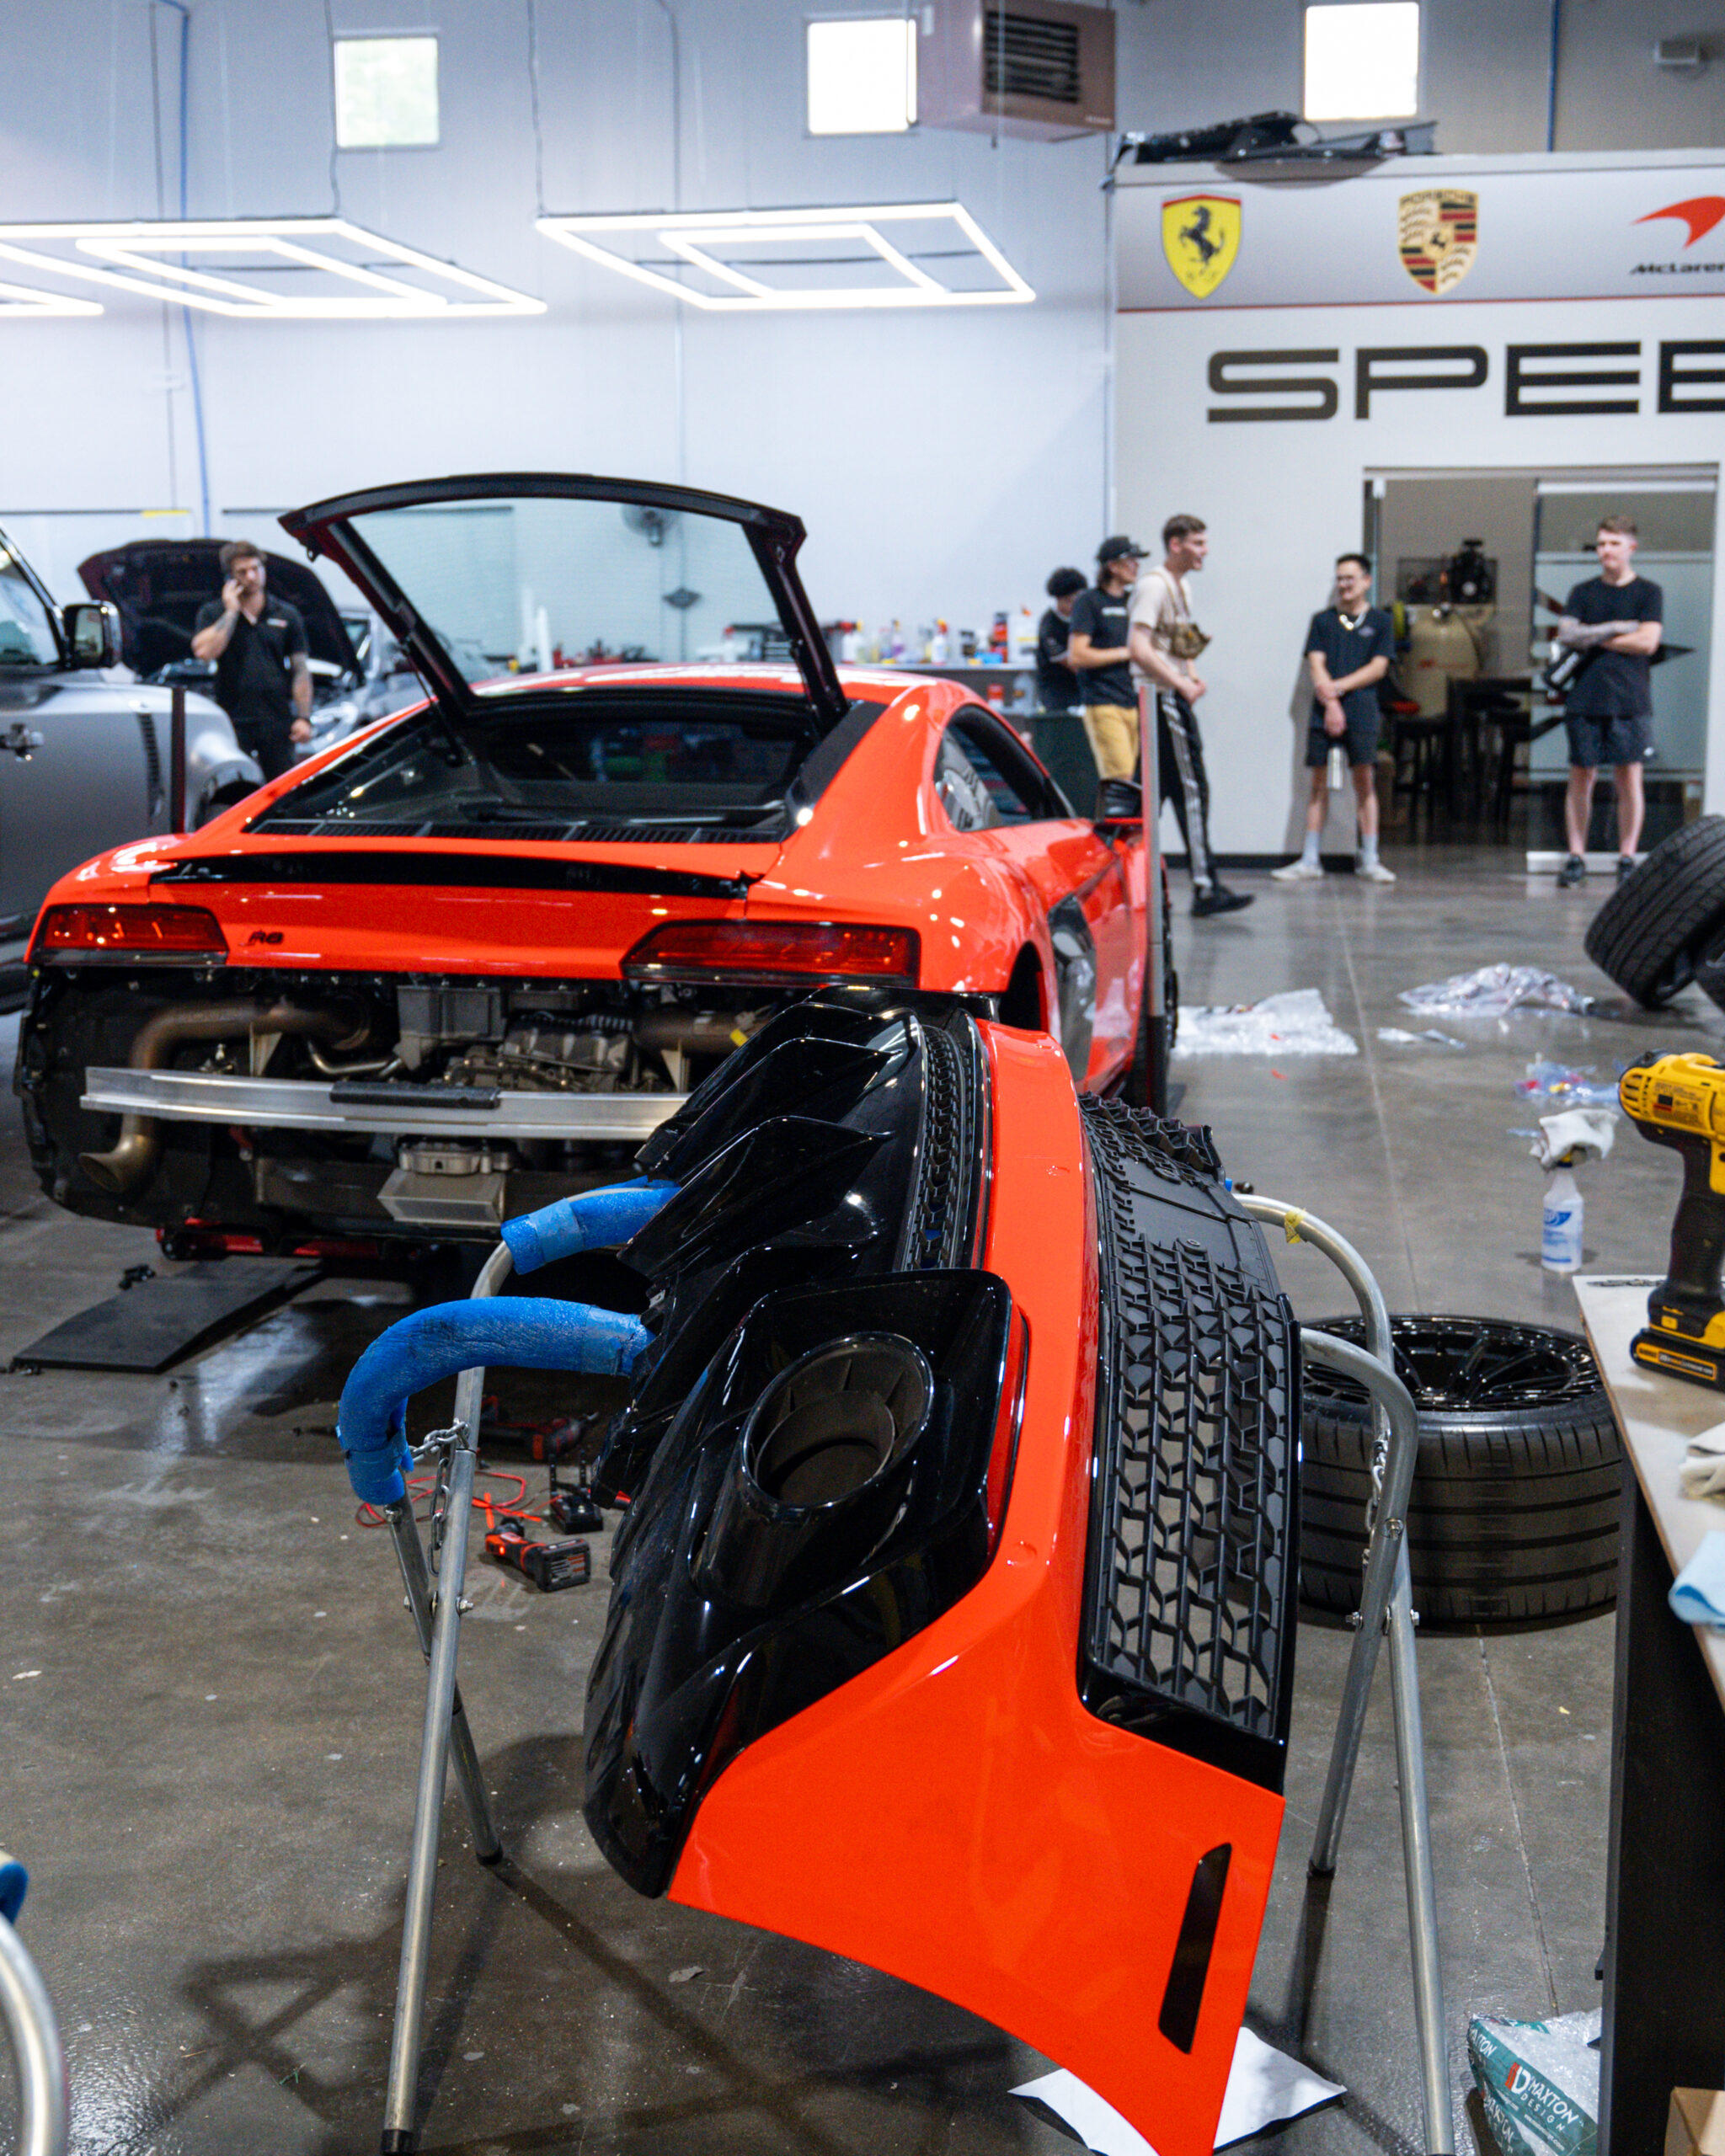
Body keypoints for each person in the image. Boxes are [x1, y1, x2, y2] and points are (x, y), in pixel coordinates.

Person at [1129, 513, 1252, 917]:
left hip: (1169, 696)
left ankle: (1133, 881)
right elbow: (1139, 648)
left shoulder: (1180, 588)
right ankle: (1204, 884)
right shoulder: (1152, 586)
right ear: (1176, 544)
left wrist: (1193, 676)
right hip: (1161, 697)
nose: (1205, 551)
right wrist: (1181, 685)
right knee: (1192, 790)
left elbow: (1178, 645)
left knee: (1150, 795)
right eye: (1198, 543)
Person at [1272, 552, 1396, 884]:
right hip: (1323, 710)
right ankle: (1310, 859)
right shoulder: (1323, 621)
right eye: (1339, 578)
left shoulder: (1381, 622)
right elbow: (1316, 663)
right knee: (1316, 784)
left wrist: (1337, 689)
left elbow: (1378, 668)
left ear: (1366, 582)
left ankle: (1369, 858)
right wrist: (1330, 702)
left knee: (1364, 781)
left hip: (1362, 709)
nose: (1344, 584)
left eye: (1350, 578)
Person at [1554, 515, 1664, 888]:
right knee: (1581, 775)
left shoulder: (1648, 592)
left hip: (1631, 699)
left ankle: (1627, 857)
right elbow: (1567, 634)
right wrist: (1618, 628)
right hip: (1585, 698)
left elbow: (1648, 642)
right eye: (1601, 543)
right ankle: (1576, 856)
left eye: (1613, 543)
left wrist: (1592, 636)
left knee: (1629, 778)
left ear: (1631, 547)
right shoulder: (1583, 592)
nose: (1606, 551)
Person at [190, 539, 312, 781]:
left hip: (276, 719)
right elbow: (204, 652)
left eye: (256, 568)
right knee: (237, 787)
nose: (252, 576)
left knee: (282, 790)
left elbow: (300, 669)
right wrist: (232, 612)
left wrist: (303, 717)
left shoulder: (285, 614)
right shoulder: (214, 613)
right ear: (230, 578)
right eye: (243, 572)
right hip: (233, 720)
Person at [1065, 537, 1146, 785]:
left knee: (1136, 779)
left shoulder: (1132, 601)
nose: (1136, 566)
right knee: (1120, 777)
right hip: (1103, 702)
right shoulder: (1090, 601)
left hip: (1132, 701)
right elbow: (1077, 655)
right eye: (1130, 560)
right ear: (1112, 566)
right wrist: (1126, 652)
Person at [1035, 567, 1087, 711]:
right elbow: (1073, 664)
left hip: (1081, 689)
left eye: (1077, 599)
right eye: (1068, 601)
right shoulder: (1050, 625)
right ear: (1058, 599)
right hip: (1057, 692)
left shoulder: (1084, 618)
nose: (1073, 605)